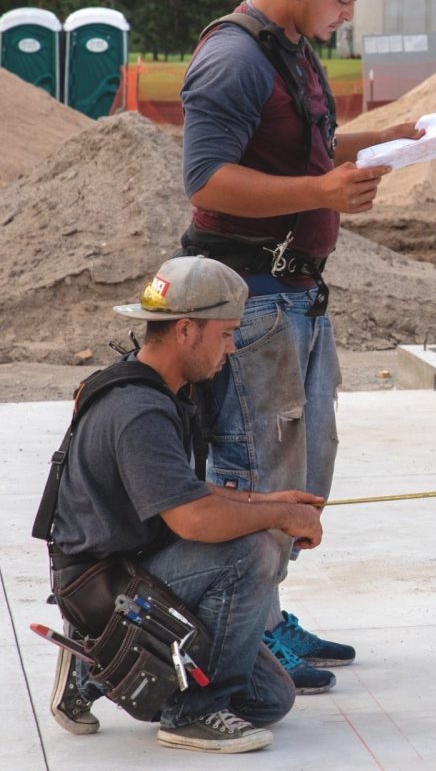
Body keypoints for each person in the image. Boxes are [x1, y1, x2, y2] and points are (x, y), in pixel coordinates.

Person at [178, 0, 422, 694]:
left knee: (302, 465)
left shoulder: (293, 52)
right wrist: (322, 188)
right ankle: (239, 634)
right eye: (344, 1)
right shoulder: (234, 59)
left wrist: (393, 139)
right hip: (248, 299)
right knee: (253, 473)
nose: (347, 16)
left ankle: (267, 613)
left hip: (295, 298)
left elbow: (312, 146)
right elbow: (206, 180)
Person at [48, 257, 325, 754]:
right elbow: (194, 520)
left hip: (135, 567)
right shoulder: (139, 410)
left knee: (269, 699)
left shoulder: (160, 390)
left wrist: (270, 499)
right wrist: (280, 517)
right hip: (103, 584)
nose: (232, 347)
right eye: (225, 334)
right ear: (186, 330)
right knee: (252, 550)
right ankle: (189, 714)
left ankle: (93, 670)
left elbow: (184, 491)